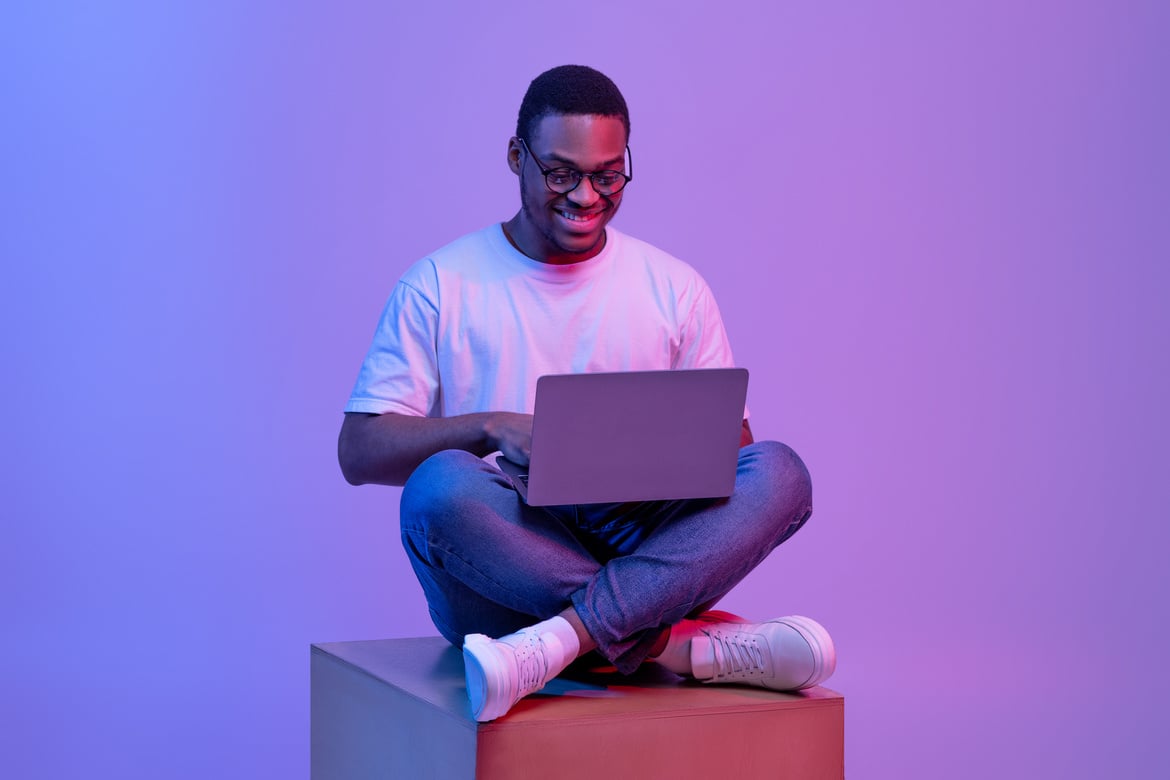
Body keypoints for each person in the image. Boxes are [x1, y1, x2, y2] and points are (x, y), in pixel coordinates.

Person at [338, 64, 835, 722]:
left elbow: (734, 452)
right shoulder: (439, 283)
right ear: (516, 157)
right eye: (561, 173)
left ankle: (557, 642)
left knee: (781, 470)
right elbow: (360, 450)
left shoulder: (673, 285)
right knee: (439, 489)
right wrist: (491, 428)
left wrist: (659, 458)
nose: (586, 195)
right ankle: (674, 648)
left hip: (640, 534)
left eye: (608, 174)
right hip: (508, 550)